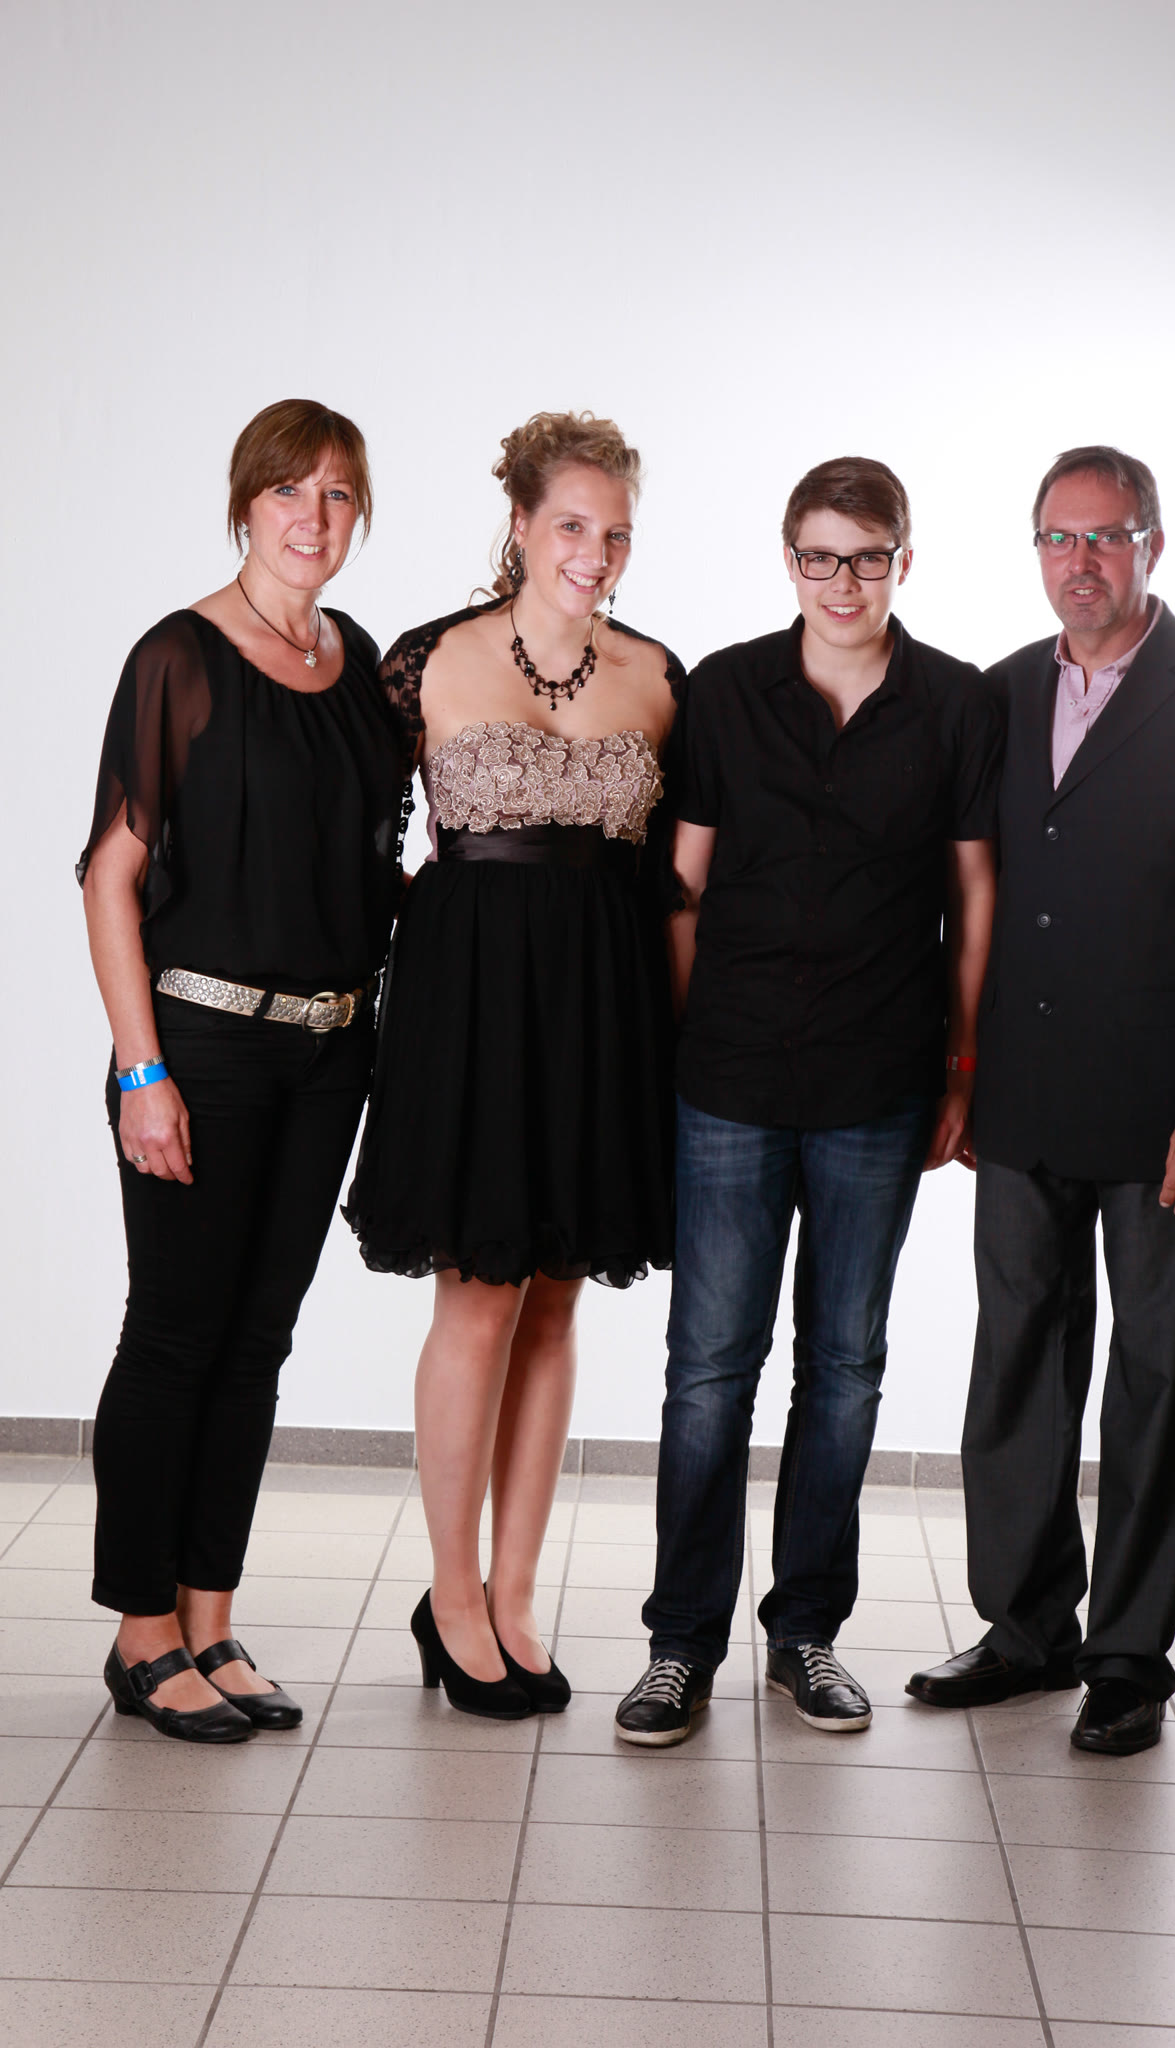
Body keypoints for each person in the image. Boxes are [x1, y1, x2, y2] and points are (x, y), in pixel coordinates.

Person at [908, 445, 1175, 1755]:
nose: (1081, 562)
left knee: (1153, 1374)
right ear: (1035, 551)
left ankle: (1127, 1655)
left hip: (1159, 1109)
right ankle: (1027, 1630)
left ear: (1152, 546)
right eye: (1058, 539)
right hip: (1019, 1092)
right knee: (1016, 1360)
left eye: (1107, 536)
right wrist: (957, 1070)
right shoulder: (1001, 691)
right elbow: (966, 896)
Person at [614, 457, 1002, 1746]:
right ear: (789, 561)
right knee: (709, 1371)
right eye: (821, 557)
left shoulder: (956, 703)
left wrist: (961, 1067)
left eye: (868, 557)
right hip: (728, 1080)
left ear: (904, 561)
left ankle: (806, 1637)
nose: (844, 582)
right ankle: (681, 1645)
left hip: (879, 1084)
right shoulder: (726, 691)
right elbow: (683, 886)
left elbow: (975, 899)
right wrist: (684, 1051)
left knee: (843, 1369)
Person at [78, 399, 406, 1742]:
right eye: (288, 491)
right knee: (175, 1332)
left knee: (258, 1340)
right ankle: (140, 1633)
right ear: (245, 503)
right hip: (199, 1045)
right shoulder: (180, 656)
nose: (312, 518)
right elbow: (110, 876)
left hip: (330, 1049)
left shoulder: (358, 659)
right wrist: (139, 1074)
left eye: (338, 494)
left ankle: (210, 1618)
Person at [343, 411, 680, 1720]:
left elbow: (677, 882)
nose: (594, 551)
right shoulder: (426, 660)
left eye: (616, 533)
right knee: (477, 1299)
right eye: (572, 525)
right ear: (523, 525)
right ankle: (450, 1595)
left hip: (601, 1014)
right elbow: (351, 841)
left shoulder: (660, 678)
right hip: (467, 1012)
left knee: (555, 1300)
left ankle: (517, 1590)